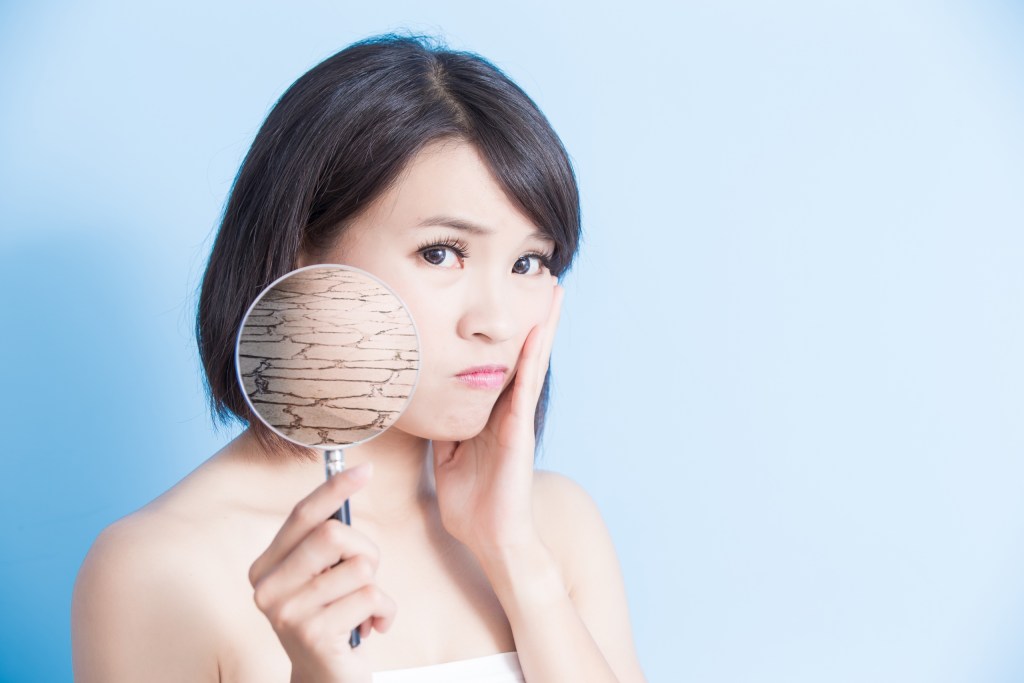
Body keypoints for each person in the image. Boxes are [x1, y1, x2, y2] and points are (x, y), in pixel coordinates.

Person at [71, 33, 646, 683]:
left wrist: (517, 560)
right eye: (441, 251)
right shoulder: (162, 566)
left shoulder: (555, 527)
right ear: (301, 252)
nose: (497, 321)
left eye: (528, 262)